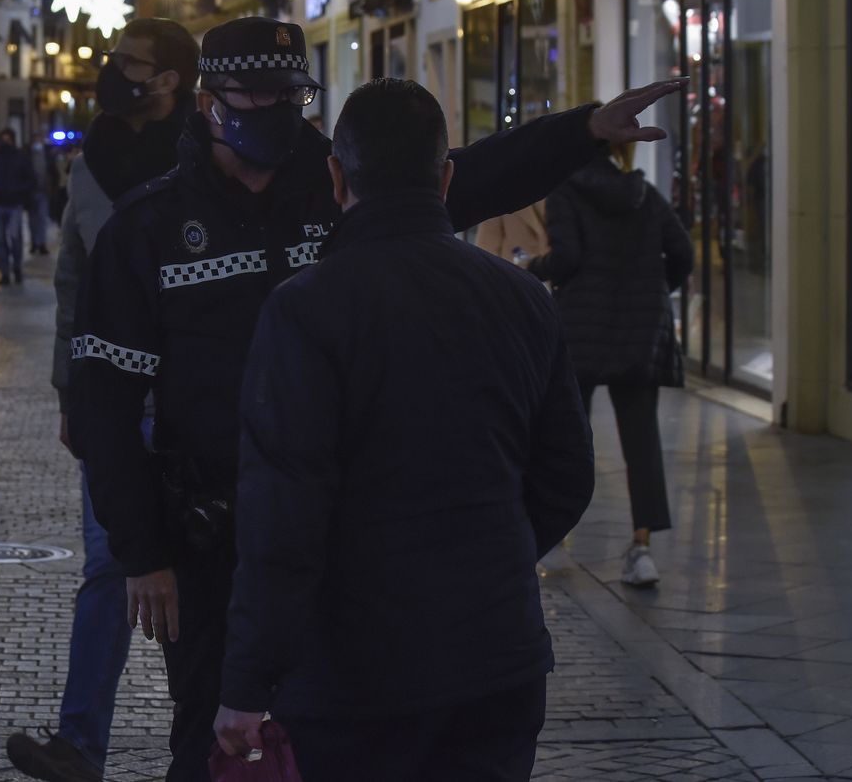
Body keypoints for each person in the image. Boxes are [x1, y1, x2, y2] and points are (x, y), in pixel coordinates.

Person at [69, 16, 678, 781]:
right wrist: (142, 552)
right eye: (253, 95)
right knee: (212, 739)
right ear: (208, 103)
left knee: (333, 728)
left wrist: (583, 132)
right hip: (213, 544)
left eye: (290, 93)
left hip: (344, 542)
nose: (274, 111)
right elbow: (105, 402)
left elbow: (463, 172)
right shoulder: (149, 230)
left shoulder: (337, 190)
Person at [211, 80, 595, 779]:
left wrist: (246, 682)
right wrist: (488, 553)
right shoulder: (521, 299)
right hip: (496, 658)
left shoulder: (306, 310)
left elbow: (282, 518)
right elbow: (566, 476)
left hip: (355, 676)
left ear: (336, 176)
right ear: (446, 178)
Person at [8, 19, 201, 782]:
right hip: (114, 395)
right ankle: (80, 742)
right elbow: (72, 284)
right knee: (106, 566)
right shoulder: (91, 164)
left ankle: (217, 734)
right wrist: (68, 389)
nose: (113, 71)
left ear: (168, 81)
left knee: (210, 567)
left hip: (197, 396)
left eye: (131, 63)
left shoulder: (213, 157)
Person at [528, 145, 694, 586]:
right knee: (642, 438)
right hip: (641, 332)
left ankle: (554, 531)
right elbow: (683, 252)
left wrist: (530, 267)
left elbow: (568, 258)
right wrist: (652, 289)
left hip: (583, 328)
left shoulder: (565, 192)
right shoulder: (645, 194)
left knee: (567, 434)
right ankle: (641, 548)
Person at [0, 128, 37, 285]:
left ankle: (17, 268)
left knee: (15, 238)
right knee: (0, 240)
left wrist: (19, 191)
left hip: (14, 204)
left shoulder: (20, 158)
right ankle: (5, 272)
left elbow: (30, 179)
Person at [475, 199, 549, 268]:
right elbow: (487, 247)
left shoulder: (558, 195)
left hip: (552, 271)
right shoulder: (500, 198)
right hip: (516, 272)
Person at [27, 138, 52, 257]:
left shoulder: (47, 156)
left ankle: (40, 243)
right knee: (33, 220)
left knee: (41, 219)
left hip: (43, 192)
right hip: (31, 193)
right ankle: (35, 243)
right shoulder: (27, 158)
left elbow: (52, 173)